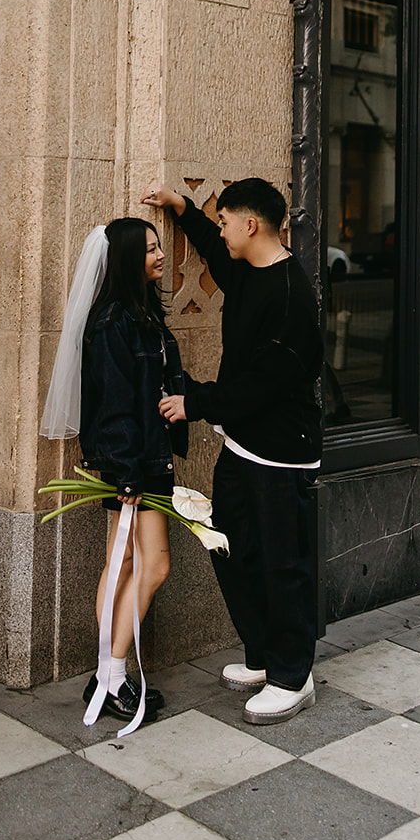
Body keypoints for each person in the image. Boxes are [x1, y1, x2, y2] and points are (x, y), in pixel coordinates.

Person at [142, 178, 323, 724]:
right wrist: (183, 210)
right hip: (243, 445)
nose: (218, 229)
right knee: (231, 550)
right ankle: (265, 654)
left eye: (225, 221)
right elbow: (214, 252)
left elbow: (260, 388)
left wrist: (191, 400)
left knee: (280, 563)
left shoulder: (291, 295)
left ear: (251, 225)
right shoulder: (248, 270)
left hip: (281, 453)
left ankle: (293, 676)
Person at [41, 218, 187, 725]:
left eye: (158, 246)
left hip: (143, 456)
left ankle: (108, 673)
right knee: (154, 565)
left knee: (123, 561)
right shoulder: (113, 322)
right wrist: (127, 475)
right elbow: (116, 406)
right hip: (136, 462)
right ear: (126, 258)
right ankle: (112, 673)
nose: (160, 255)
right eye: (149, 250)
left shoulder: (141, 314)